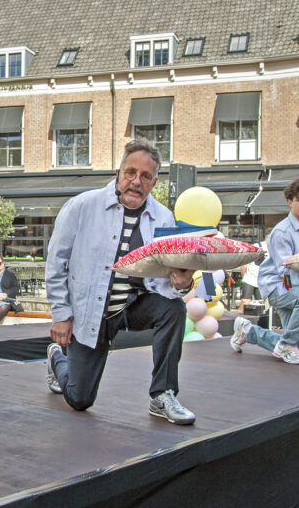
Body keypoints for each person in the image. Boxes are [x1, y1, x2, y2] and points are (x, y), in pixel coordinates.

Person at [44, 139, 196, 425]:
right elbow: (56, 262)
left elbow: (168, 284)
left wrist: (181, 283)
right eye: (130, 173)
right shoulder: (82, 206)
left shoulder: (163, 217)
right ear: (118, 172)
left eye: (146, 176)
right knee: (80, 400)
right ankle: (56, 359)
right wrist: (61, 315)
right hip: (91, 312)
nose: (136, 182)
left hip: (134, 306)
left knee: (174, 310)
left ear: (154, 181)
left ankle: (162, 394)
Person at [229, 178, 299, 365]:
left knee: (296, 348)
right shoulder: (281, 232)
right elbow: (286, 269)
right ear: (290, 201)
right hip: (279, 285)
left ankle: (247, 331)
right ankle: (285, 344)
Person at [238, 241, 265, 311]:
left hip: (261, 280)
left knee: (261, 303)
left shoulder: (272, 248)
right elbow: (244, 264)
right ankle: (239, 320)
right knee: (245, 302)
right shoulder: (256, 246)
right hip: (249, 279)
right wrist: (244, 277)